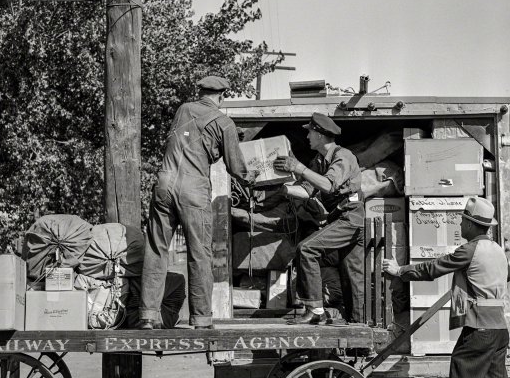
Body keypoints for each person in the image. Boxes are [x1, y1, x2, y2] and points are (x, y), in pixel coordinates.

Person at [383, 196, 510, 378]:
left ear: (471, 223)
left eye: (462, 220)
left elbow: (433, 268)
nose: (459, 224)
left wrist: (399, 271)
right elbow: (509, 276)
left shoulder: (470, 250)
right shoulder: (498, 250)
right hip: (499, 331)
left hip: (478, 330)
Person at [139, 76, 257, 330]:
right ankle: (202, 318)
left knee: (156, 248)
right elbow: (236, 168)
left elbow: (190, 139)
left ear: (201, 92)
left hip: (164, 184)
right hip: (193, 189)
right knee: (200, 253)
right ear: (222, 96)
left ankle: (148, 315)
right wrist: (252, 176)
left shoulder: (183, 109)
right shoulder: (225, 123)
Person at [273, 113, 364, 325]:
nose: (307, 137)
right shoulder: (318, 161)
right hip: (339, 219)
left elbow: (328, 185)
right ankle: (356, 331)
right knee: (351, 277)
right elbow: (307, 191)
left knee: (307, 249)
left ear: (321, 136)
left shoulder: (344, 156)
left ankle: (316, 309)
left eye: (310, 132)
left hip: (350, 218)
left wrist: (299, 168)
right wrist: (280, 188)